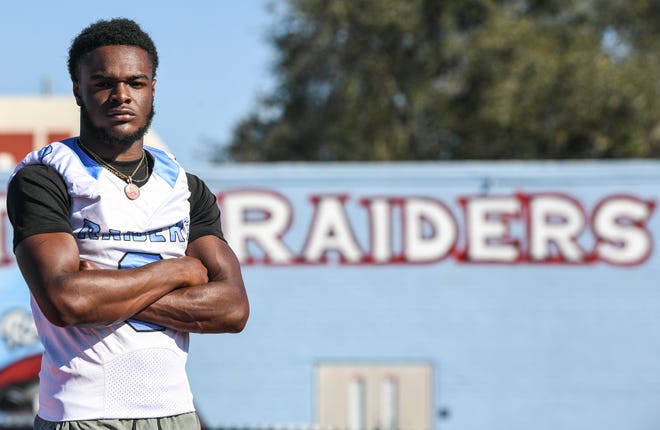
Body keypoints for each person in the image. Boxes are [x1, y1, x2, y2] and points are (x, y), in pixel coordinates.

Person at [6, 18, 249, 430]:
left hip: (175, 414)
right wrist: (178, 271)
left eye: (136, 83)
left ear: (153, 89)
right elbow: (66, 302)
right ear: (78, 90)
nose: (121, 96)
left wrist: (105, 289)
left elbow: (233, 309)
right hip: (81, 415)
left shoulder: (185, 188)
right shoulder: (45, 178)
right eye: (103, 83)